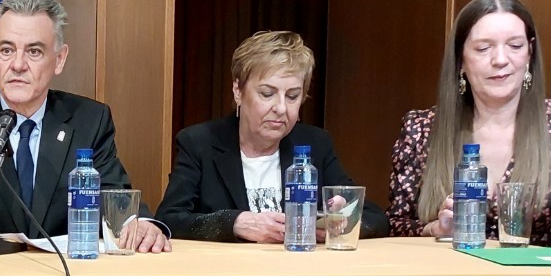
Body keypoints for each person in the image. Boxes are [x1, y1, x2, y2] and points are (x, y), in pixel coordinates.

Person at [0, 0, 169, 254]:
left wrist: (137, 224)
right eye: (6, 50)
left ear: (59, 59)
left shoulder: (89, 121)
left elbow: (114, 199)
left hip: (66, 275)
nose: (18, 64)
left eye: (34, 51)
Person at [388, 0, 551, 253]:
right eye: (483, 48)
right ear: (460, 59)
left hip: (530, 275)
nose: (500, 60)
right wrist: (435, 229)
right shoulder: (422, 129)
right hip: (447, 273)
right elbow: (396, 224)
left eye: (515, 46)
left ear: (529, 53)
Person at [154, 31, 389, 243]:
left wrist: (341, 223)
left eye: (292, 96)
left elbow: (375, 218)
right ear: (238, 91)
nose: (281, 108)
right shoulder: (200, 142)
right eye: (267, 94)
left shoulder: (315, 143)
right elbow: (169, 220)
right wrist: (233, 223)